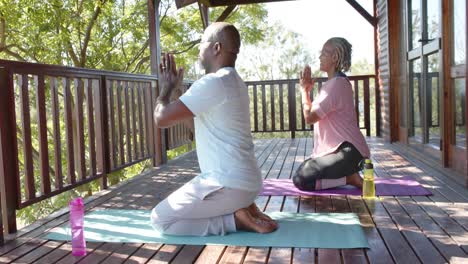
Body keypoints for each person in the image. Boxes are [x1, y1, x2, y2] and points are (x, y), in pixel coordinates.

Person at [150, 22, 278, 236]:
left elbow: (161, 119)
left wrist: (165, 90)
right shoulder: (234, 82)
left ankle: (235, 221)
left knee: (161, 220)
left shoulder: (213, 82)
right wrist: (175, 94)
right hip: (246, 184)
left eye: (202, 43)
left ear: (216, 47)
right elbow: (197, 127)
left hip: (228, 184)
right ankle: (242, 207)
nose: (199, 50)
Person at [292, 37, 371, 191]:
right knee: (302, 177)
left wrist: (303, 90)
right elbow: (313, 115)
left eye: (324, 53)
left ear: (334, 57)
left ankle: (350, 177)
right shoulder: (335, 83)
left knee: (301, 178)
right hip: (340, 151)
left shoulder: (336, 85)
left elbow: (309, 118)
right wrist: (307, 91)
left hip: (349, 153)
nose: (320, 57)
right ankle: (350, 178)